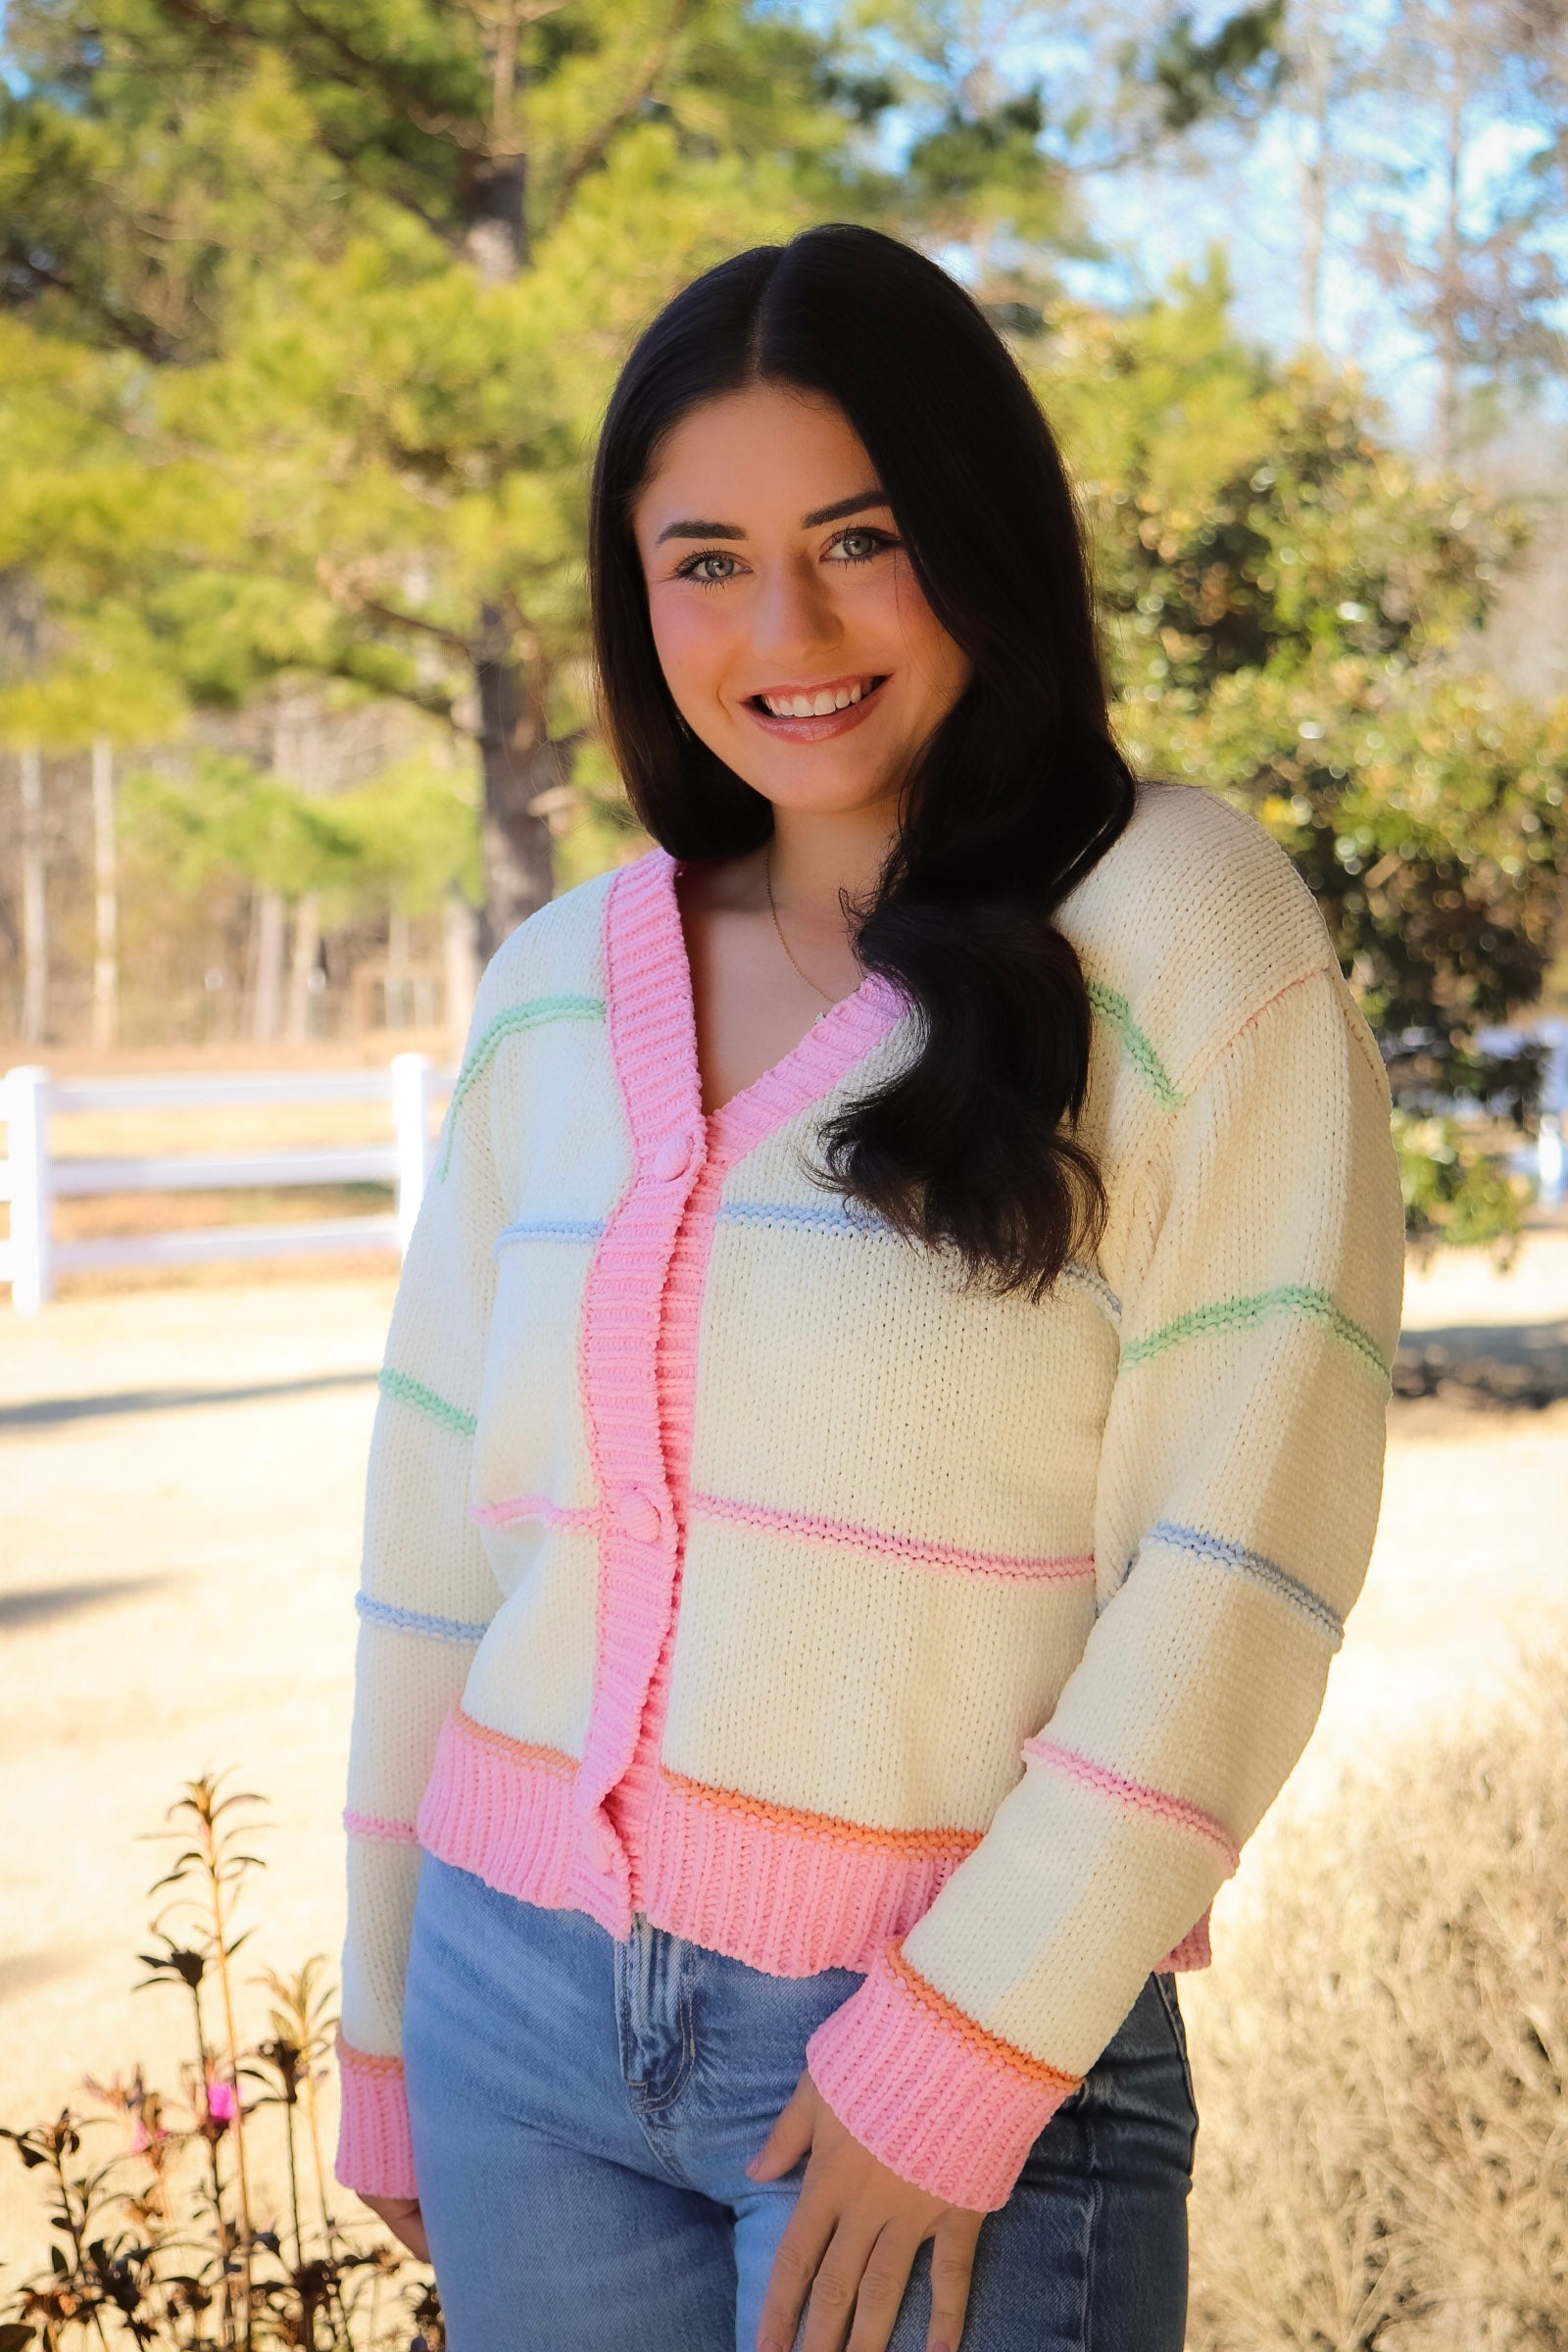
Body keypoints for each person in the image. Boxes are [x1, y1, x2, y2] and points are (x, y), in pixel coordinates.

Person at [332, 222, 1405, 2352]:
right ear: (638, 601)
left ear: (980, 540)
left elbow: (1239, 1556)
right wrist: (386, 2032)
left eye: (857, 538)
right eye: (704, 559)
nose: (786, 627)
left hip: (929, 2044)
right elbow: (431, 1555)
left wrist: (968, 2042)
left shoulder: (1185, 939)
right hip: (514, 2022)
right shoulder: (555, 993)